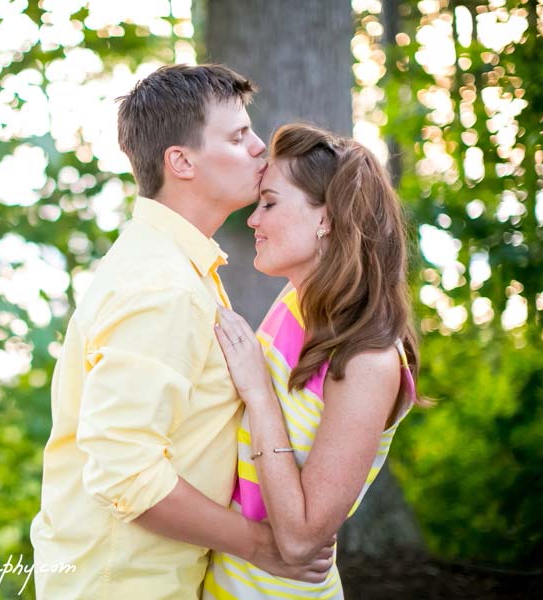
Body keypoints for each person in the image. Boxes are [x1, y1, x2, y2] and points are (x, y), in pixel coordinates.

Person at [30, 66, 334, 599]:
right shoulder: (161, 287)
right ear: (182, 161)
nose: (260, 147)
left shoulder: (177, 267)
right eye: (238, 136)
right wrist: (262, 546)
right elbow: (124, 473)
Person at [204, 123, 421, 599]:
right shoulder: (296, 303)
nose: (253, 220)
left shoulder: (369, 359)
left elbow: (302, 539)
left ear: (328, 217)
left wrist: (259, 396)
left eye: (270, 203)